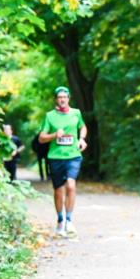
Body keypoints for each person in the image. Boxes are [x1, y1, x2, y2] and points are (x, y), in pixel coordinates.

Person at [37, 87, 87, 237]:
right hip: (55, 157)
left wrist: (81, 139)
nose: (62, 99)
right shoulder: (49, 116)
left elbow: (83, 126)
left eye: (65, 97)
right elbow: (41, 138)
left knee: (71, 184)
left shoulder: (76, 113)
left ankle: (69, 220)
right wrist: (54, 135)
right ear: (56, 99)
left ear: (69, 98)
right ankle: (60, 220)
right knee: (59, 191)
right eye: (59, 97)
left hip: (73, 155)